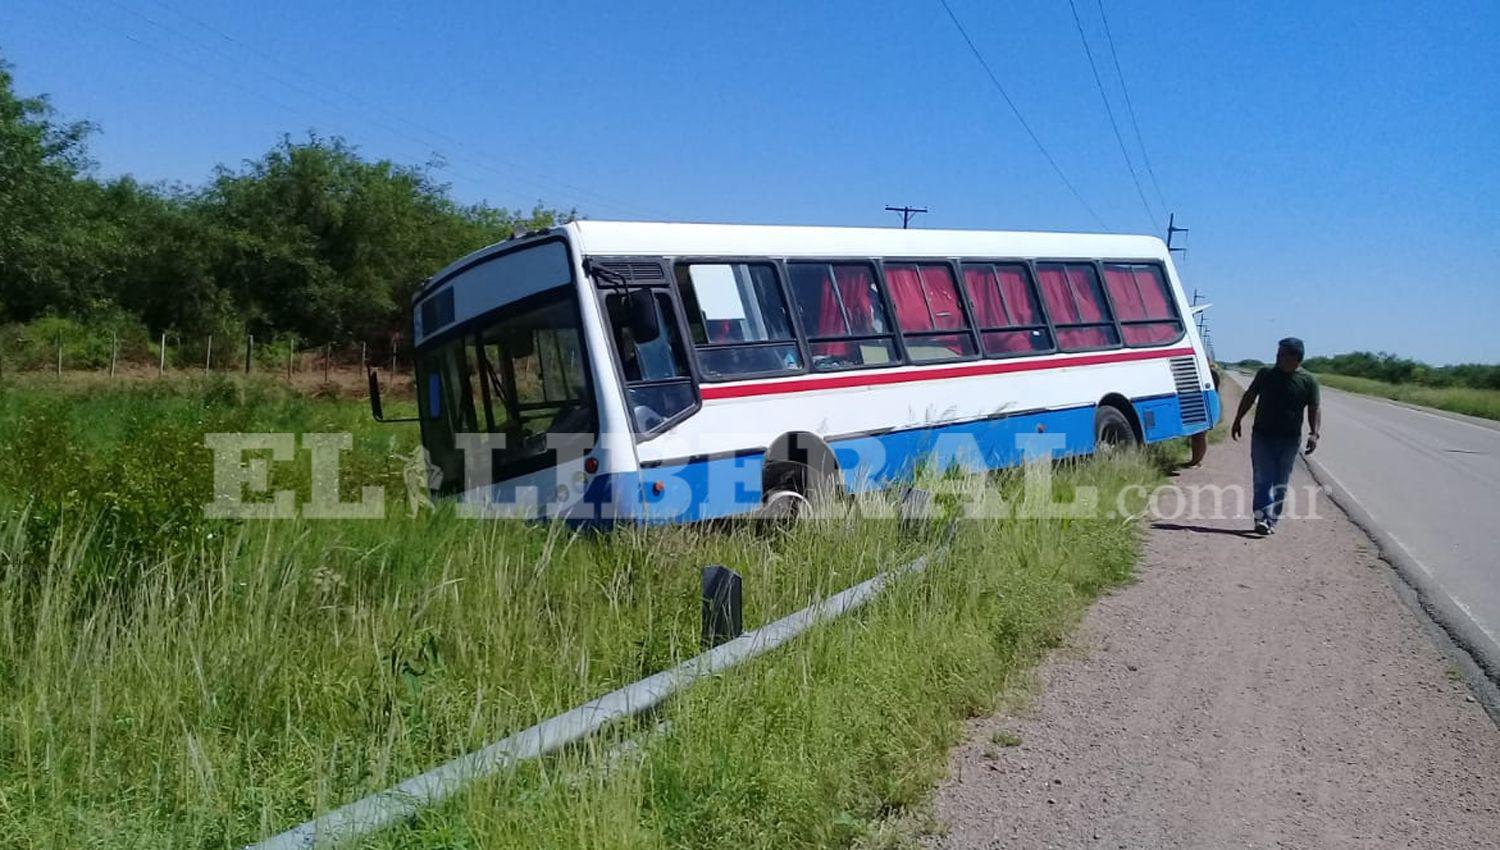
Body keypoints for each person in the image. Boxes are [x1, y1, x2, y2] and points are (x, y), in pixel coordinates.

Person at [1230, 337, 1321, 535]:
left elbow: (1314, 408)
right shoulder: (1265, 374)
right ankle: (1262, 519)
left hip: (1290, 440)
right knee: (1263, 479)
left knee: (1281, 482)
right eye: (1277, 354)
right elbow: (1249, 396)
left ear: (1296, 358)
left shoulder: (1308, 381)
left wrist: (1314, 433)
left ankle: (1271, 520)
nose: (1277, 358)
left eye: (1282, 355)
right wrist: (1237, 419)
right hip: (1262, 436)